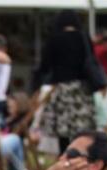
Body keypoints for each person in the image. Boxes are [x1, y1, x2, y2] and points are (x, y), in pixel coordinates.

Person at [37, 10, 96, 153]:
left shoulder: (55, 39)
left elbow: (45, 65)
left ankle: (65, 155)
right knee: (81, 127)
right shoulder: (84, 38)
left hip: (63, 88)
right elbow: (91, 60)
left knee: (63, 129)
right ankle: (82, 154)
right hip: (82, 89)